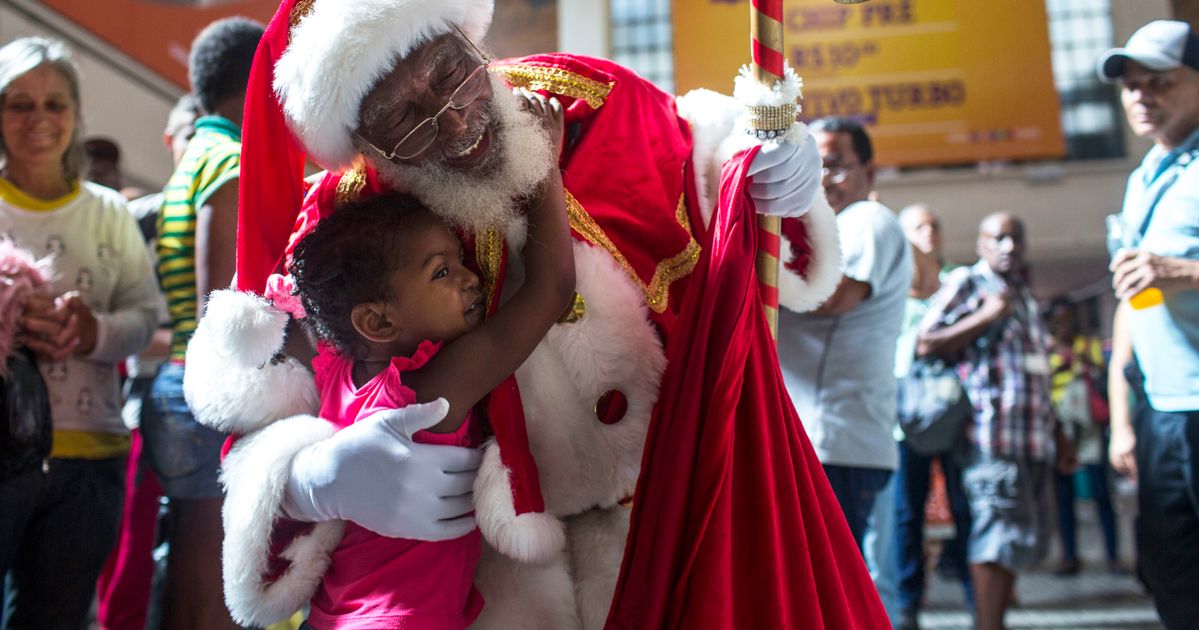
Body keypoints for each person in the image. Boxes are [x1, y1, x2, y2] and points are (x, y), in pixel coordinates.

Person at [179, 0, 891, 628]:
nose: (453, 118)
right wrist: (312, 477)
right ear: (365, 143)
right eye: (403, 118)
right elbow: (264, 420)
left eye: (448, 70)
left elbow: (717, 177)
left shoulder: (593, 100)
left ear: (468, 38)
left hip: (683, 519)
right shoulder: (346, 223)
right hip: (497, 583)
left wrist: (769, 172)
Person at [284, 92, 571, 628]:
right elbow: (551, 290)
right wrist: (543, 167)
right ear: (377, 323)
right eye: (441, 272)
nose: (470, 278)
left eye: (460, 261)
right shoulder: (426, 394)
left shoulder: (338, 374)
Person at [0, 36, 159, 627]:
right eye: (19, 104)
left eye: (54, 104)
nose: (38, 120)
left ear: (74, 114)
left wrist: (91, 331)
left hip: (89, 459)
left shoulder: (109, 212)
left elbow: (142, 319)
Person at [140, 17, 263, 630]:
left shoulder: (196, 156)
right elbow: (225, 304)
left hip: (182, 384)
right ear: (255, 82)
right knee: (210, 586)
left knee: (195, 567)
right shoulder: (229, 159)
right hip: (206, 393)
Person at [917, 212, 1074, 630]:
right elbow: (925, 342)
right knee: (994, 540)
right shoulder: (969, 283)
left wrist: (1059, 434)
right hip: (991, 438)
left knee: (1018, 542)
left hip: (1032, 439)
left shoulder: (1023, 294)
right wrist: (984, 316)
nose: (1008, 247)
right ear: (981, 245)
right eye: (998, 238)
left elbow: (1036, 371)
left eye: (1015, 238)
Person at [1098, 20, 1199, 628]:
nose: (1141, 96)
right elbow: (1132, 296)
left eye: (1157, 82)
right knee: (1169, 566)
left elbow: (1160, 273)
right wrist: (1121, 418)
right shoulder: (1144, 179)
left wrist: (1179, 269)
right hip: (1159, 408)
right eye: (1131, 86)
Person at [777, 116, 912, 549]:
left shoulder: (867, 219)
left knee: (821, 591)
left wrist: (751, 263)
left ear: (869, 173)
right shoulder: (821, 228)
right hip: (821, 441)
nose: (821, 179)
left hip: (835, 441)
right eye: (810, 165)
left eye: (834, 165)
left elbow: (830, 298)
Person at [95, 92, 201, 630]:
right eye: (189, 131)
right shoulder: (137, 219)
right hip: (142, 404)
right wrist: (176, 338)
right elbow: (105, 321)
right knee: (131, 543)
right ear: (169, 140)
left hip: (201, 408)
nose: (199, 141)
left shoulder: (216, 206)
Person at [891, 203, 972, 630]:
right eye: (918, 226)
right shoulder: (892, 288)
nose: (929, 232)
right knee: (907, 514)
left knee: (965, 506)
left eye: (934, 225)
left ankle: (979, 601)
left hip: (956, 418)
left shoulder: (962, 281)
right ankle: (908, 606)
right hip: (904, 423)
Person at [1043, 297, 1120, 576]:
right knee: (1063, 497)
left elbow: (1106, 373)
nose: (1064, 325)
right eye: (1058, 319)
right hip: (1059, 426)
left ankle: (1113, 556)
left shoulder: (1088, 346)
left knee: (1101, 492)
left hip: (1088, 424)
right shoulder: (1045, 349)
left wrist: (1081, 359)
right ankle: (1069, 557)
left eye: (1068, 318)